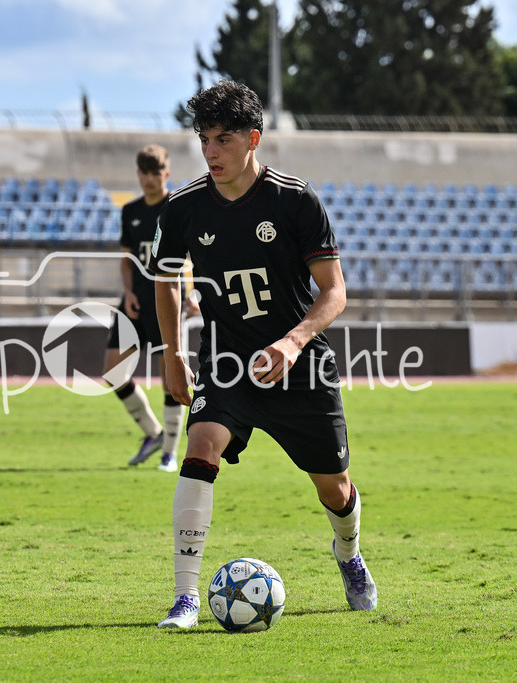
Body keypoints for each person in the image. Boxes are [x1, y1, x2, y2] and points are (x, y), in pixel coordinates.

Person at [149, 80, 377, 629]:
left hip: (301, 365)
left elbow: (335, 292)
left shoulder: (295, 202)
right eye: (203, 139)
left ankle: (348, 556)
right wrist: (172, 353)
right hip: (227, 362)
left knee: (335, 487)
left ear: (253, 139)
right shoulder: (182, 211)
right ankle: (184, 599)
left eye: (223, 139)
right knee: (200, 443)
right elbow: (164, 281)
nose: (210, 152)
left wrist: (294, 340)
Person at [105, 144, 196, 473]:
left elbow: (195, 255)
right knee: (113, 372)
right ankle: (154, 434)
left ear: (166, 174)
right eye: (144, 172)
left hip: (169, 298)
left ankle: (169, 454)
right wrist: (127, 291)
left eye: (155, 172)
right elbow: (127, 258)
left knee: (170, 375)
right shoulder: (130, 211)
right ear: (138, 175)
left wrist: (193, 293)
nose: (149, 178)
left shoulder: (179, 206)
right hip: (136, 299)